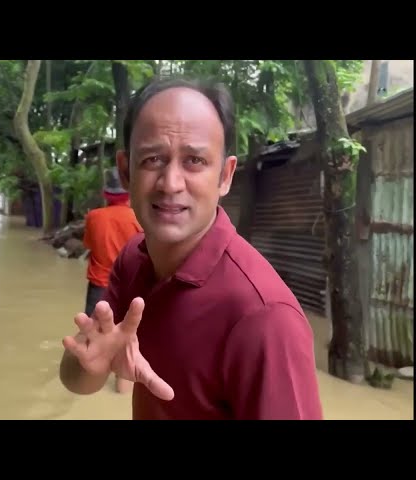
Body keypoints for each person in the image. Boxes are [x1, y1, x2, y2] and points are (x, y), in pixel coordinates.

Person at [58, 76, 323, 420]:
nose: (170, 183)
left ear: (225, 176)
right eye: (153, 159)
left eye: (194, 161)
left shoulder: (265, 318)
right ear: (126, 172)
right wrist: (90, 362)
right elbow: (76, 382)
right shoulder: (134, 259)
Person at [82, 167, 143, 394]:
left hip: (99, 287)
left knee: (92, 339)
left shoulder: (94, 217)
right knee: (126, 342)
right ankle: (120, 393)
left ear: (106, 193)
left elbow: (89, 245)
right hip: (130, 288)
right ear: (127, 193)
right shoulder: (137, 219)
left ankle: (87, 389)